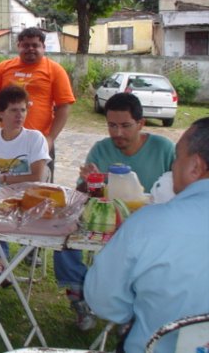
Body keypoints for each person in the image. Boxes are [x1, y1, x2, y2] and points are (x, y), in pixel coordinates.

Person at [84, 117, 209, 353]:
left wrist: (136, 313)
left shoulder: (148, 224)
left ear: (195, 166)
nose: (173, 167)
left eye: (177, 158)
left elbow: (103, 300)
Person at [58, 92, 175, 331]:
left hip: (151, 225)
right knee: (64, 235)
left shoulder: (163, 148)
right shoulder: (101, 149)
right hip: (107, 222)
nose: (118, 133)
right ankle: (79, 294)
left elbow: (180, 188)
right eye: (112, 125)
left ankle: (133, 310)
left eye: (125, 126)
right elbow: (83, 196)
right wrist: (89, 181)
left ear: (141, 123)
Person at [0, 85, 51, 318]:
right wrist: (1, 180)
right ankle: (0, 264)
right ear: (0, 113)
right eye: (14, 110)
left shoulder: (35, 138)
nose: (20, 115)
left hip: (28, 203)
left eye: (23, 110)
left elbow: (37, 177)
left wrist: (2, 178)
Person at [0, 27, 75, 177]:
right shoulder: (4, 68)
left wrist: (50, 138)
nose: (30, 49)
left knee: (40, 186)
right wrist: (11, 98)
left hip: (41, 141)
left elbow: (64, 107)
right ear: (18, 46)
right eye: (26, 45)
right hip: (8, 140)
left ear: (43, 47)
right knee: (3, 185)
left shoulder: (55, 70)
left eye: (35, 45)